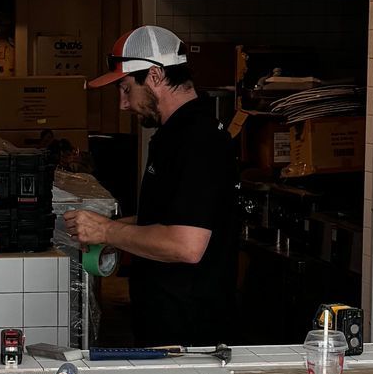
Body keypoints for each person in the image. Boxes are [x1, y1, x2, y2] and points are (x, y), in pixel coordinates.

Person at [63, 24, 240, 346]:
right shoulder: (175, 135)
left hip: (189, 333)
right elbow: (166, 218)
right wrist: (114, 230)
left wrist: (107, 232)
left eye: (126, 88)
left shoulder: (198, 141)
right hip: (165, 322)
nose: (123, 104)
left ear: (155, 76)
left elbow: (185, 245)